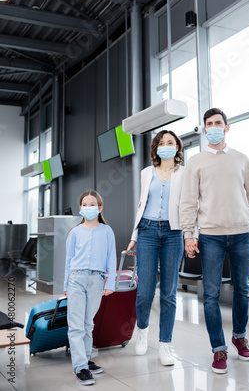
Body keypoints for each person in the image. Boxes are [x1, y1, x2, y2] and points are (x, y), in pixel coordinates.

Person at [179, 108, 249, 374]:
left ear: (227, 127)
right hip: (210, 236)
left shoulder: (241, 159)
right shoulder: (196, 162)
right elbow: (188, 202)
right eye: (208, 124)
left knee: (242, 289)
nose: (213, 127)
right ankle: (218, 349)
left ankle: (239, 336)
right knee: (211, 295)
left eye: (218, 123)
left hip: (241, 232)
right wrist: (189, 235)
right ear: (205, 129)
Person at [127, 130, 193, 366]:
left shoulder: (185, 174)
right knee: (145, 290)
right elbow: (141, 205)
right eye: (161, 143)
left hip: (173, 233)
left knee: (169, 292)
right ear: (156, 148)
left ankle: (165, 344)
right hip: (147, 230)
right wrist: (134, 235)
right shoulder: (146, 173)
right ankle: (142, 329)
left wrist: (189, 236)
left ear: (177, 148)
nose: (166, 146)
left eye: (170, 143)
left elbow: (188, 206)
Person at [64, 190, 117, 386]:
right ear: (80, 208)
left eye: (92, 204)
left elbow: (111, 258)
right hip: (76, 279)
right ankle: (80, 368)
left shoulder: (107, 231)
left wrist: (110, 283)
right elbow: (68, 262)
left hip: (97, 280)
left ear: (99, 208)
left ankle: (85, 359)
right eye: (84, 204)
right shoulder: (75, 232)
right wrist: (66, 287)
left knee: (88, 324)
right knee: (76, 325)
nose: (88, 207)